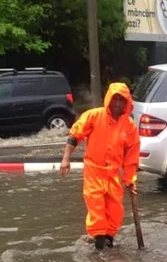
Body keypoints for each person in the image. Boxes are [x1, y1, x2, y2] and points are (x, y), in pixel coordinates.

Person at [60, 82, 140, 250]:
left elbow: (132, 156)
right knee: (96, 209)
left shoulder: (129, 126)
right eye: (115, 99)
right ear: (109, 99)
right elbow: (75, 135)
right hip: (94, 171)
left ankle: (109, 240)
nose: (118, 103)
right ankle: (98, 243)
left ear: (127, 103)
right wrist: (66, 159)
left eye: (122, 100)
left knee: (115, 210)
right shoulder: (94, 116)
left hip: (113, 173)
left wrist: (130, 179)